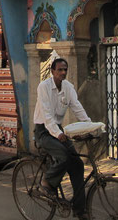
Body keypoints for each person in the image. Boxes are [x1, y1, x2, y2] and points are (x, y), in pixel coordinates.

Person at [33, 58, 91, 220]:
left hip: (57, 129)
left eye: (65, 69)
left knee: (77, 165)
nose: (63, 72)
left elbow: (77, 107)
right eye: (59, 70)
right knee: (63, 155)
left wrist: (90, 126)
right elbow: (46, 114)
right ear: (52, 71)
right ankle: (47, 182)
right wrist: (57, 134)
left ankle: (80, 211)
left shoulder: (68, 87)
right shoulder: (43, 87)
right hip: (43, 130)